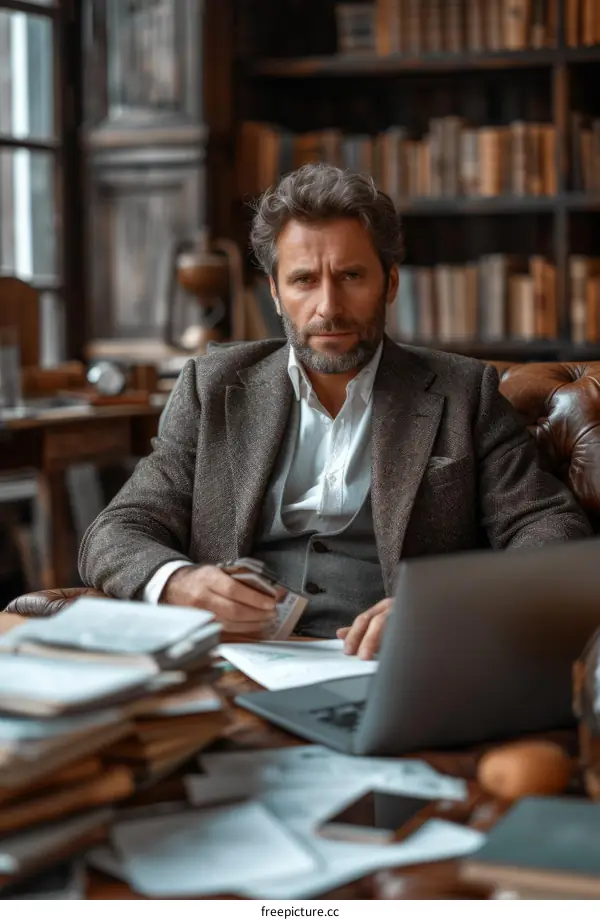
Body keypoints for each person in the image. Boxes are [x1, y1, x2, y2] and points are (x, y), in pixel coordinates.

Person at [79, 163, 592, 659]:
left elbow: (550, 528)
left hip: (388, 664)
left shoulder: (464, 391)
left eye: (351, 275)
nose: (328, 306)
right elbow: (118, 528)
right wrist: (178, 582)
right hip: (235, 659)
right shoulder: (212, 386)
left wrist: (446, 607)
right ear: (275, 292)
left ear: (390, 283)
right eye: (304, 280)